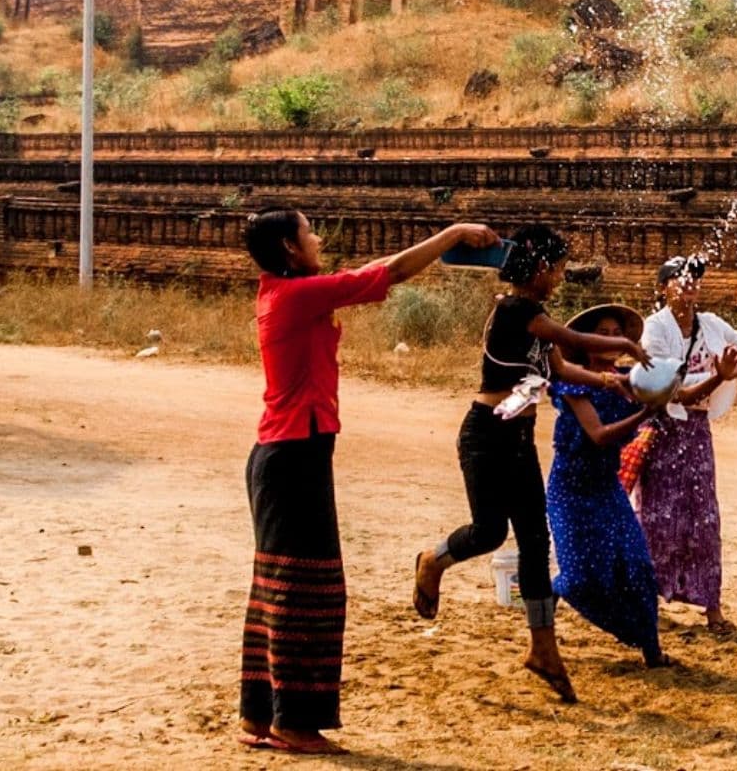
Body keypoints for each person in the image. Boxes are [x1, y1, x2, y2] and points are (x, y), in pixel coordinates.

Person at [238, 209, 498, 755]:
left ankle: (263, 715)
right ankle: (293, 723)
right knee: (308, 590)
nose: (318, 239)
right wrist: (451, 234)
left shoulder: (292, 291)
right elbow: (392, 273)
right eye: (310, 233)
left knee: (279, 587)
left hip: (284, 453)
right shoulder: (293, 296)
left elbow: (373, 271)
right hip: (293, 456)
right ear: (290, 247)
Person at [412, 225, 640, 704]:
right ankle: (433, 561)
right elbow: (569, 336)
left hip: (518, 438)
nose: (558, 277)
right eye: (556, 268)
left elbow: (561, 367)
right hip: (486, 434)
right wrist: (626, 349)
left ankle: (543, 649)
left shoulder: (533, 317)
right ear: (537, 269)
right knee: (490, 532)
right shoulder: (519, 310)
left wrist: (607, 383)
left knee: (536, 543)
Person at [634, 254, 737, 634]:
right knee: (657, 519)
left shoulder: (712, 325)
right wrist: (718, 376)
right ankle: (649, 601)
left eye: (694, 278)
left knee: (704, 519)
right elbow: (672, 388)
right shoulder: (654, 330)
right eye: (679, 278)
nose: (689, 284)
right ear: (662, 288)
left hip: (697, 434)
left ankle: (712, 607)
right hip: (663, 431)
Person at [545, 303, 671, 666]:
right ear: (585, 342)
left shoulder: (627, 378)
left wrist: (719, 376)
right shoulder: (573, 381)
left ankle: (652, 650)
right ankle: (550, 592)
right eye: (604, 333)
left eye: (618, 334)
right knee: (583, 579)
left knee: (638, 567)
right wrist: (646, 413)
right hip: (571, 491)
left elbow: (680, 394)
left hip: (606, 487)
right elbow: (598, 435)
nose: (613, 339)